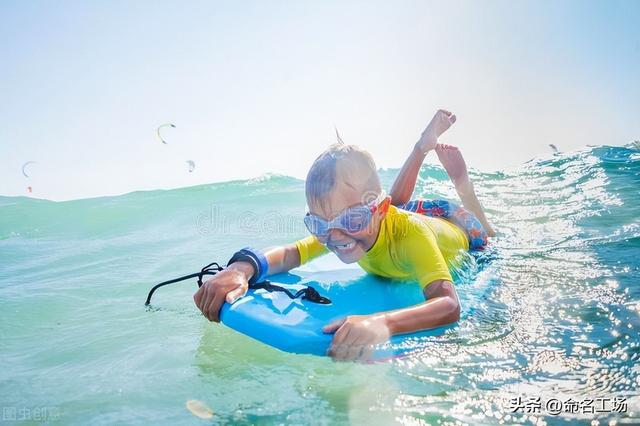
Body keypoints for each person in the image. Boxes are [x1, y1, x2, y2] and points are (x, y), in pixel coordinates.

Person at [193, 109, 495, 361]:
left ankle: (460, 181)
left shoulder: (412, 236)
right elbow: (291, 254)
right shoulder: (340, 228)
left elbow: (448, 305)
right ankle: (421, 148)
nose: (334, 237)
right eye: (318, 226)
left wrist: (382, 322)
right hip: (397, 212)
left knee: (490, 237)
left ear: (375, 212)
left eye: (351, 218)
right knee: (395, 202)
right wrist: (240, 269)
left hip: (456, 223)